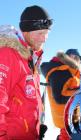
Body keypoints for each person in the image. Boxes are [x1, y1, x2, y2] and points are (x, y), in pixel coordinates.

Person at [0, 5, 52, 140]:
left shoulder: (30, 59)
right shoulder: (8, 54)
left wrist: (36, 127)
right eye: (40, 33)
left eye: (47, 32)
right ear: (26, 31)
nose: (44, 38)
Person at [41, 49, 81, 140]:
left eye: (78, 58)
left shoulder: (71, 72)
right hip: (66, 119)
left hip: (71, 119)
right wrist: (80, 95)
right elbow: (59, 97)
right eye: (73, 57)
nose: (76, 60)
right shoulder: (61, 71)